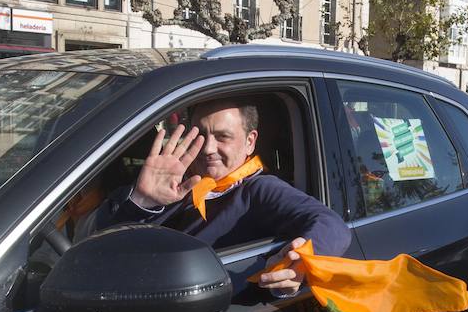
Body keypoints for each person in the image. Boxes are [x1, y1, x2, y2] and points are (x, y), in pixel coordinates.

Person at [93, 98, 350, 296]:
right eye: (201, 135)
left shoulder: (258, 190)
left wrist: (301, 262)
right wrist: (143, 202)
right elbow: (101, 246)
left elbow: (332, 225)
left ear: (250, 142)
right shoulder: (176, 181)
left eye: (223, 137)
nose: (208, 148)